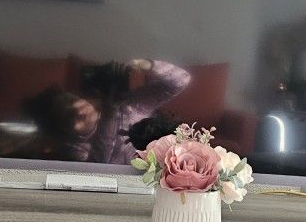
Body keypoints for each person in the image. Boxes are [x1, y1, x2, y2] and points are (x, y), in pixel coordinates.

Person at [24, 60, 190, 164]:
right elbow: (102, 165)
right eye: (68, 116)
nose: (76, 108)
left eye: (71, 100)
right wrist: (108, 118)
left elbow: (181, 80)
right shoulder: (76, 148)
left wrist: (149, 65)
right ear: (63, 131)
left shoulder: (130, 105)